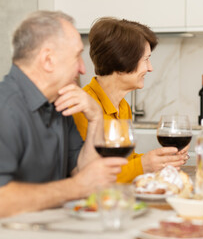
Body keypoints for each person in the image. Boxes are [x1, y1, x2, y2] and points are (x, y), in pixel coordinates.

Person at [0, 11, 128, 217]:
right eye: (77, 56)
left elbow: (84, 173)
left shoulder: (60, 104)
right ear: (48, 60)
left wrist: (95, 116)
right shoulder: (4, 109)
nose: (83, 68)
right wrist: (75, 187)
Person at [72, 17, 189, 183]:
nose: (150, 68)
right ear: (122, 62)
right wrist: (144, 165)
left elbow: (125, 162)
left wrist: (162, 159)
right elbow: (95, 175)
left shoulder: (122, 106)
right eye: (145, 59)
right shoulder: (84, 108)